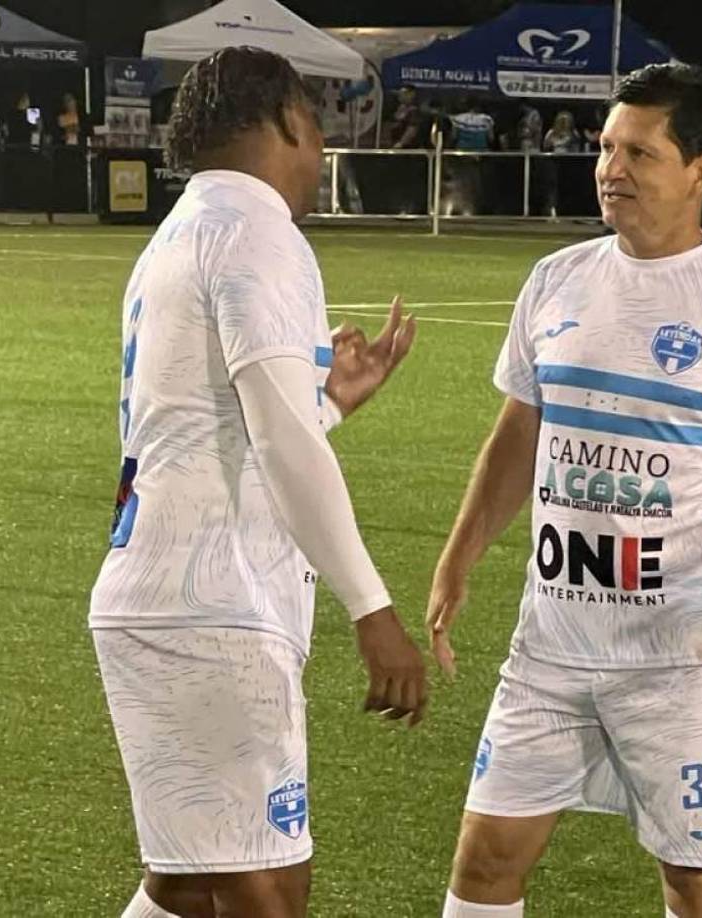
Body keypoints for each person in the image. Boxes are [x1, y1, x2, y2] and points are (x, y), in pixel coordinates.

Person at [427, 63, 702, 918]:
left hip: (681, 659)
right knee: (485, 858)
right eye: (606, 148)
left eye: (639, 153)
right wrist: (460, 555)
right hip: (552, 645)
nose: (611, 169)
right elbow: (518, 433)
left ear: (699, 171)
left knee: (694, 880)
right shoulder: (556, 279)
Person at [89, 46, 428, 918]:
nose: (320, 151)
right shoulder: (258, 230)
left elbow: (215, 426)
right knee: (267, 887)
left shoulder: (182, 231)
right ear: (285, 120)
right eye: (316, 123)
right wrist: (373, 608)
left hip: (155, 590)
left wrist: (330, 405)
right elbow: (280, 440)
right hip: (216, 606)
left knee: (186, 884)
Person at [541, 110, 580, 218]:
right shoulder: (551, 133)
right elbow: (545, 147)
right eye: (562, 120)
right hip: (553, 162)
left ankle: (567, 211)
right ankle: (551, 210)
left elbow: (576, 149)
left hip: (568, 163)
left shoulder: (574, 134)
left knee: (566, 187)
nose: (564, 123)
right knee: (552, 187)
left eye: (566, 120)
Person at [390, 84, 423, 148]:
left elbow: (412, 129)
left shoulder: (414, 111)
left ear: (411, 95)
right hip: (395, 143)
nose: (400, 96)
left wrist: (401, 143)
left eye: (403, 94)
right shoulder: (400, 107)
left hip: (407, 147)